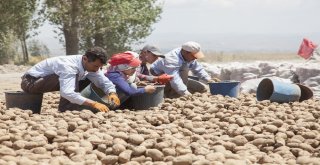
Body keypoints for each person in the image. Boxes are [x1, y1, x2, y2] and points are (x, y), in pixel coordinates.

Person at [21, 46, 120, 112]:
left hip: (44, 81)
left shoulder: (91, 66)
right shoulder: (69, 66)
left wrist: (112, 93)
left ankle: (72, 107)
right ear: (85, 59)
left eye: (99, 67)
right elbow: (66, 92)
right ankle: (67, 110)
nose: (97, 69)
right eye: (95, 66)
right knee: (74, 77)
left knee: (89, 78)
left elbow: (103, 81)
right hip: (30, 82)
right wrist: (93, 104)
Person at [150, 41, 217, 98]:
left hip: (178, 76)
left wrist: (208, 79)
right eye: (193, 56)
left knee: (202, 88)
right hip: (159, 75)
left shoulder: (188, 55)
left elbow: (198, 68)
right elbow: (174, 79)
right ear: (186, 52)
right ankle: (172, 97)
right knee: (184, 72)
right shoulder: (171, 59)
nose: (195, 58)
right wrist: (185, 93)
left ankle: (177, 93)